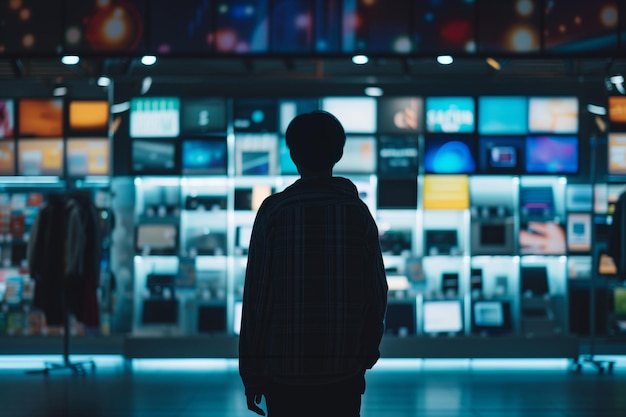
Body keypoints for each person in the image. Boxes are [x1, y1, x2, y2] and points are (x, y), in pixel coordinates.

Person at [239, 110, 388, 417]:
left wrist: (251, 372)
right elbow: (376, 294)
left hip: (283, 372)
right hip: (342, 369)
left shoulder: (273, 211)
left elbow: (256, 297)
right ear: (339, 152)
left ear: (292, 154)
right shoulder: (357, 214)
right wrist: (364, 355)